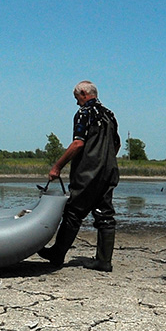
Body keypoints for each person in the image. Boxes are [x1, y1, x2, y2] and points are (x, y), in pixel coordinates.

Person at [38, 81, 121, 272]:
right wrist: (106, 161)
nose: (77, 103)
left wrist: (57, 167)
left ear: (84, 93)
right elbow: (116, 144)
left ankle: (57, 254)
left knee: (73, 212)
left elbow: (78, 144)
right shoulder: (109, 115)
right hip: (109, 170)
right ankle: (104, 261)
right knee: (105, 214)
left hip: (88, 172)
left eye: (77, 98)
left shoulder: (84, 113)